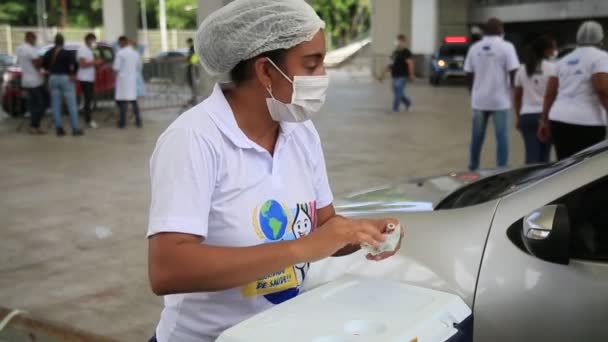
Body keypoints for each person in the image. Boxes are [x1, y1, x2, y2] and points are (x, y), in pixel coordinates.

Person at [146, 1, 404, 341]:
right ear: (265, 71)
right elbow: (168, 269)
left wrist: (359, 234)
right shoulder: (194, 140)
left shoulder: (301, 132)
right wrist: (300, 250)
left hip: (278, 330)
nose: (322, 77)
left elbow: (322, 228)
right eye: (312, 65)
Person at [539, 21, 608, 160]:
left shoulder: (563, 60)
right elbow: (602, 89)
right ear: (600, 39)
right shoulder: (601, 57)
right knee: (588, 169)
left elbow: (549, 94)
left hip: (558, 120)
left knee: (565, 166)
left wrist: (544, 120)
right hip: (588, 123)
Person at [464, 18, 520, 171]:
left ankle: (472, 168)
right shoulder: (507, 47)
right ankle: (501, 170)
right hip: (500, 101)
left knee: (476, 138)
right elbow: (514, 71)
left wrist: (473, 92)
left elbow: (468, 73)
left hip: (479, 101)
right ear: (501, 31)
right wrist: (515, 93)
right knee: (502, 138)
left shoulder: (474, 48)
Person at [513, 35, 557, 164]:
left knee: (531, 155)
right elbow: (554, 95)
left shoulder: (522, 69)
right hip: (546, 116)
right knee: (545, 157)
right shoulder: (552, 68)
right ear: (546, 51)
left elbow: (517, 98)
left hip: (527, 116)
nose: (555, 51)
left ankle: (530, 182)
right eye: (553, 48)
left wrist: (518, 117)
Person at [43, 33, 83, 137]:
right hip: (66, 78)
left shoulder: (48, 53)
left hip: (52, 78)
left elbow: (44, 65)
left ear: (54, 42)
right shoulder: (67, 53)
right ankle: (75, 128)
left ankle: (59, 129)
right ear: (63, 42)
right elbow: (74, 65)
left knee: (55, 105)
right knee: (71, 104)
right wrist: (73, 73)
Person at [16, 32, 46, 134]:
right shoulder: (30, 49)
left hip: (26, 80)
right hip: (35, 81)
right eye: (34, 39)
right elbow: (37, 64)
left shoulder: (19, 48)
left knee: (33, 105)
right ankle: (34, 125)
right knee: (42, 103)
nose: (35, 41)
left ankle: (34, 126)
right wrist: (42, 59)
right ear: (29, 38)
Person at [113, 36, 142, 128]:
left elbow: (116, 67)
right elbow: (139, 67)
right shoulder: (135, 53)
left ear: (122, 42)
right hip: (132, 79)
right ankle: (138, 121)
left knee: (123, 102)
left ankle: (122, 123)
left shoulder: (120, 53)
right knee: (133, 101)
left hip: (123, 80)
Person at [383, 34, 415, 113]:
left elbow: (410, 63)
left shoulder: (406, 52)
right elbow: (391, 64)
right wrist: (383, 74)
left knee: (398, 92)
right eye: (398, 41)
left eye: (401, 41)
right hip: (395, 75)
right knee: (397, 92)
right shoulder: (395, 52)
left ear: (404, 42)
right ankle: (408, 103)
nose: (399, 43)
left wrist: (411, 74)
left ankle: (395, 108)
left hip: (402, 76)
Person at [77, 33, 103, 129]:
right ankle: (88, 120)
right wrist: (95, 62)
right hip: (85, 78)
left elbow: (91, 63)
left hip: (90, 78)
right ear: (88, 39)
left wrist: (97, 63)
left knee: (89, 99)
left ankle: (87, 118)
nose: (94, 42)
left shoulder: (90, 50)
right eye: (93, 40)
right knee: (88, 99)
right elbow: (83, 63)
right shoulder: (82, 49)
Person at [186, 37, 198, 104]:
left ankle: (194, 98)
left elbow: (195, 59)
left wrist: (190, 62)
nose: (187, 44)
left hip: (192, 68)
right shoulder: (191, 48)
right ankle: (193, 97)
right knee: (191, 83)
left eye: (188, 43)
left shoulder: (193, 49)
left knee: (193, 83)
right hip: (190, 67)